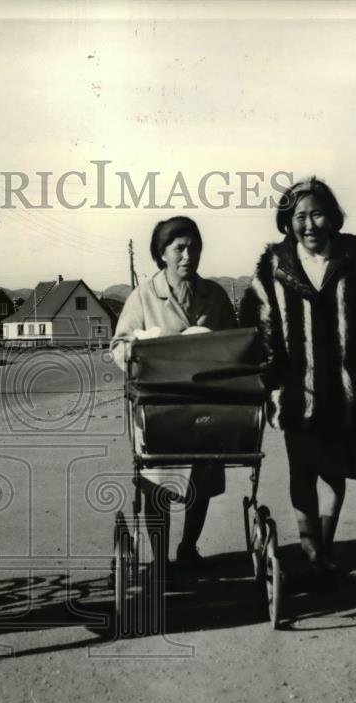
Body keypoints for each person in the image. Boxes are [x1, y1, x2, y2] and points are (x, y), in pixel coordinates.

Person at [239, 177, 356, 575]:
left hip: (347, 392)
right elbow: (257, 328)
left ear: (332, 218)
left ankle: (323, 549)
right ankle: (312, 552)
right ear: (287, 222)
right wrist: (262, 380)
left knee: (334, 474)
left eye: (317, 214)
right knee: (302, 471)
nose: (309, 224)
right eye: (300, 216)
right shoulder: (272, 268)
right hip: (296, 393)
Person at [110, 216, 237, 573]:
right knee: (158, 482)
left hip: (205, 404)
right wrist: (138, 350)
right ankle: (160, 558)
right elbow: (119, 345)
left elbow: (234, 343)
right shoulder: (144, 295)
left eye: (193, 248)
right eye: (179, 248)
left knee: (203, 480)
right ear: (161, 254)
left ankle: (188, 547)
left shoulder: (215, 296)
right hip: (158, 407)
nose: (188, 255)